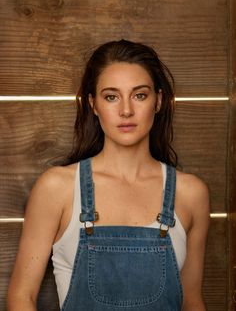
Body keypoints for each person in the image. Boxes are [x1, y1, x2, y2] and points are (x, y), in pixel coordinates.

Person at [7, 39, 210, 311]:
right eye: (111, 96)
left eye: (140, 95)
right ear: (93, 104)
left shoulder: (190, 194)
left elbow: (191, 302)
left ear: (158, 101)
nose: (126, 110)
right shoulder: (57, 188)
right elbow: (22, 298)